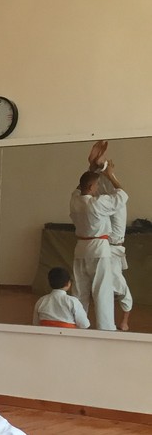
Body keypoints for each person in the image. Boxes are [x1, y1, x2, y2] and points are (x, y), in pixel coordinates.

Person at [69, 153, 127, 331]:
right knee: (102, 292)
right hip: (99, 251)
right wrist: (110, 174)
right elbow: (122, 195)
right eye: (96, 185)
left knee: (79, 291)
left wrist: (92, 169)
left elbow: (79, 187)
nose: (97, 188)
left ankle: (78, 325)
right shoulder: (96, 204)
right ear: (91, 187)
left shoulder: (74, 201)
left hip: (80, 250)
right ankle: (106, 329)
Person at [88, 141, 134, 331]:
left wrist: (124, 323)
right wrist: (124, 322)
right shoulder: (119, 285)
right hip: (112, 241)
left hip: (111, 241)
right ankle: (100, 166)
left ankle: (99, 167)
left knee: (114, 195)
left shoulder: (114, 283)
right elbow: (127, 304)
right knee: (116, 196)